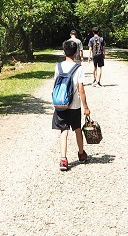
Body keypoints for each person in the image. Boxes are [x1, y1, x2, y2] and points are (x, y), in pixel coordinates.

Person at [52, 39, 91, 171]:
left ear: (64, 52)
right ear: (76, 53)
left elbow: (55, 86)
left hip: (61, 104)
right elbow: (81, 90)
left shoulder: (58, 67)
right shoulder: (78, 69)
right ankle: (81, 154)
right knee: (77, 129)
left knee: (64, 130)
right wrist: (86, 107)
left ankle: (63, 159)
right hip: (74, 105)